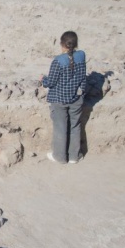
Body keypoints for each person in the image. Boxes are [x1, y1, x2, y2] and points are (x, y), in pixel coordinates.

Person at [41, 31, 87, 164]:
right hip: (77, 98)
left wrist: (43, 79)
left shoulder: (58, 61)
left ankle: (60, 157)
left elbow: (51, 82)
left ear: (62, 44)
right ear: (76, 43)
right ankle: (74, 156)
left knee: (60, 127)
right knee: (75, 126)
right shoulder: (81, 55)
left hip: (59, 99)